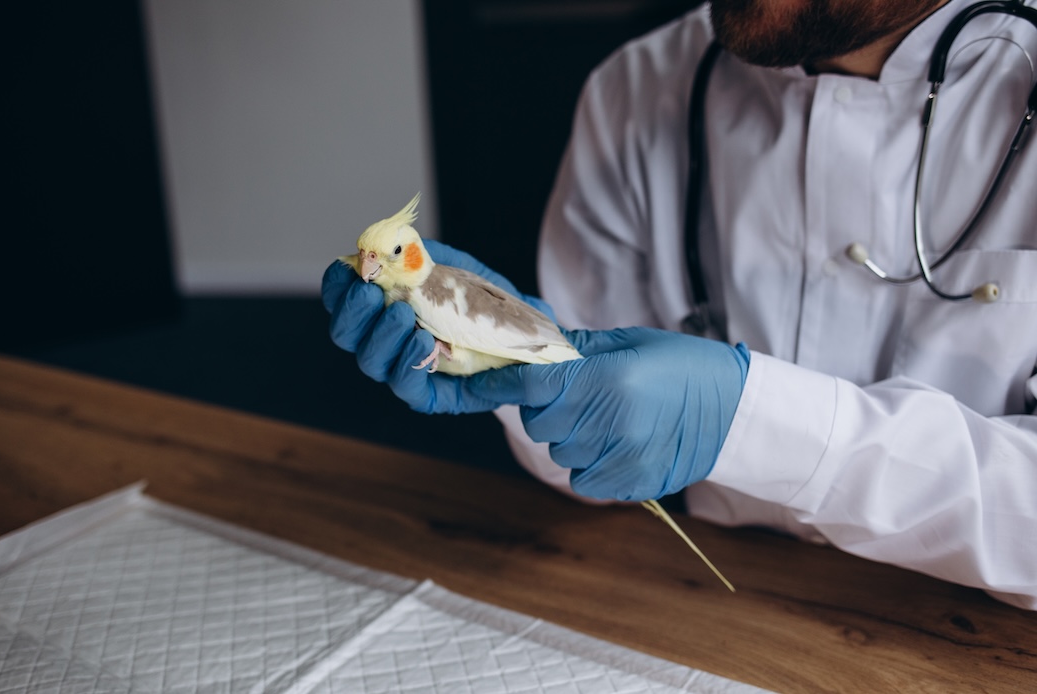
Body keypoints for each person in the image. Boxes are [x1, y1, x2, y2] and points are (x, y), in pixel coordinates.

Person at [323, 0, 1037, 610]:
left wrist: (763, 426)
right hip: (688, 597)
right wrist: (501, 366)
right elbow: (595, 468)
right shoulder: (638, 89)